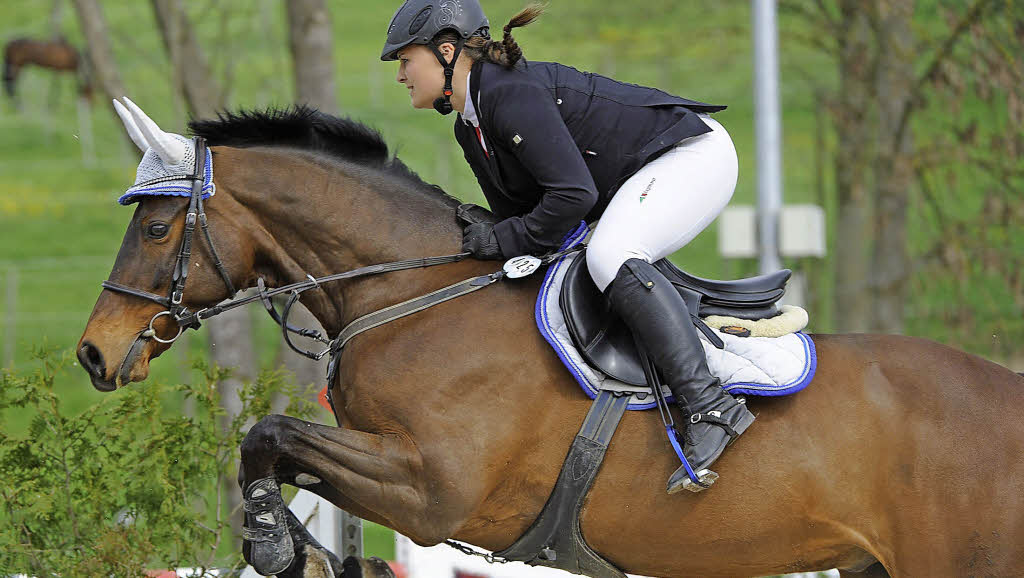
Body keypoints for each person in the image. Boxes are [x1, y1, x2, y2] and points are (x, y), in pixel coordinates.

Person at [381, 0, 754, 494]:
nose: (401, 75)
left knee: (610, 254)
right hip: (637, 178)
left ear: (446, 51)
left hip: (692, 158)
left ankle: (711, 405)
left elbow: (571, 197)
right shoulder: (471, 124)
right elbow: (526, 221)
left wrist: (502, 237)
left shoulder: (507, 95)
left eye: (406, 60)